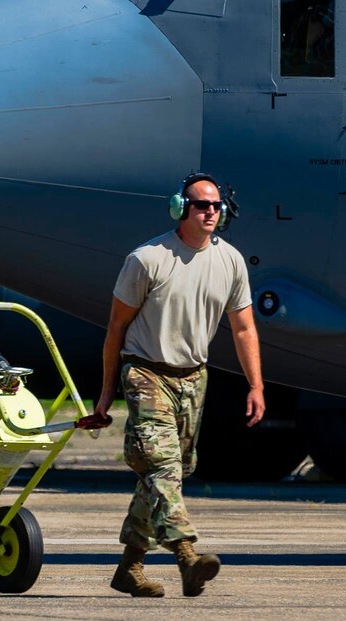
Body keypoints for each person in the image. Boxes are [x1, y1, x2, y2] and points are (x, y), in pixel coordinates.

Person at [93, 172, 265, 598]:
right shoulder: (147, 259)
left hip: (193, 378)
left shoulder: (230, 261)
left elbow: (244, 329)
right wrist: (105, 393)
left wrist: (256, 386)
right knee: (164, 467)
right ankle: (188, 557)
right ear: (180, 208)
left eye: (216, 205)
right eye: (201, 204)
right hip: (146, 372)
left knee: (166, 474)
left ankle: (129, 568)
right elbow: (116, 328)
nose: (210, 211)